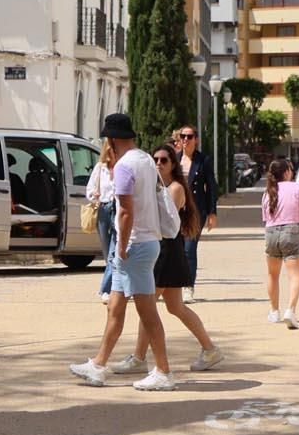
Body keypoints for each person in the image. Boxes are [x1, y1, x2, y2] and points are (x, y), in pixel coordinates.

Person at [70, 114, 174, 391]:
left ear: (111, 139)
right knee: (115, 307)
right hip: (142, 242)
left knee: (147, 312)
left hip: (134, 245)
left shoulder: (125, 166)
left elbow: (126, 212)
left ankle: (163, 371)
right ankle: (98, 365)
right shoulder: (144, 159)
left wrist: (123, 247)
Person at [111, 147, 222, 373]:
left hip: (166, 251)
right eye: (156, 160)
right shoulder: (158, 188)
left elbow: (162, 222)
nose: (159, 163)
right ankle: (210, 349)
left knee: (147, 306)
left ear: (173, 164)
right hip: (164, 250)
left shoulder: (174, 189)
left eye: (164, 160)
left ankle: (140, 358)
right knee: (175, 306)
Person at [260, 158, 299, 328]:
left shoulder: (268, 192)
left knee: (272, 274)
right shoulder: (296, 187)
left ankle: (274, 311)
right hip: (292, 231)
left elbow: (266, 218)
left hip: (271, 232)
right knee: (295, 275)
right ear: (287, 172)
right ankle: (291, 310)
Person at [173, 123, 217, 294]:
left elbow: (212, 186)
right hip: (175, 211)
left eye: (189, 137)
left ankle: (188, 286)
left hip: (196, 211)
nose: (185, 140)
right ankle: (176, 283)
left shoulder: (203, 160)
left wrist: (212, 212)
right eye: (182, 136)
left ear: (196, 140)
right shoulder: (174, 159)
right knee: (177, 249)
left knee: (189, 249)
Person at [84, 141, 118, 302]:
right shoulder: (100, 168)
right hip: (104, 209)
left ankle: (105, 289)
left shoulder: (123, 167)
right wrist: (94, 195)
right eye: (111, 148)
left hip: (118, 209)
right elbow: (89, 190)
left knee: (114, 252)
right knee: (107, 251)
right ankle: (115, 285)